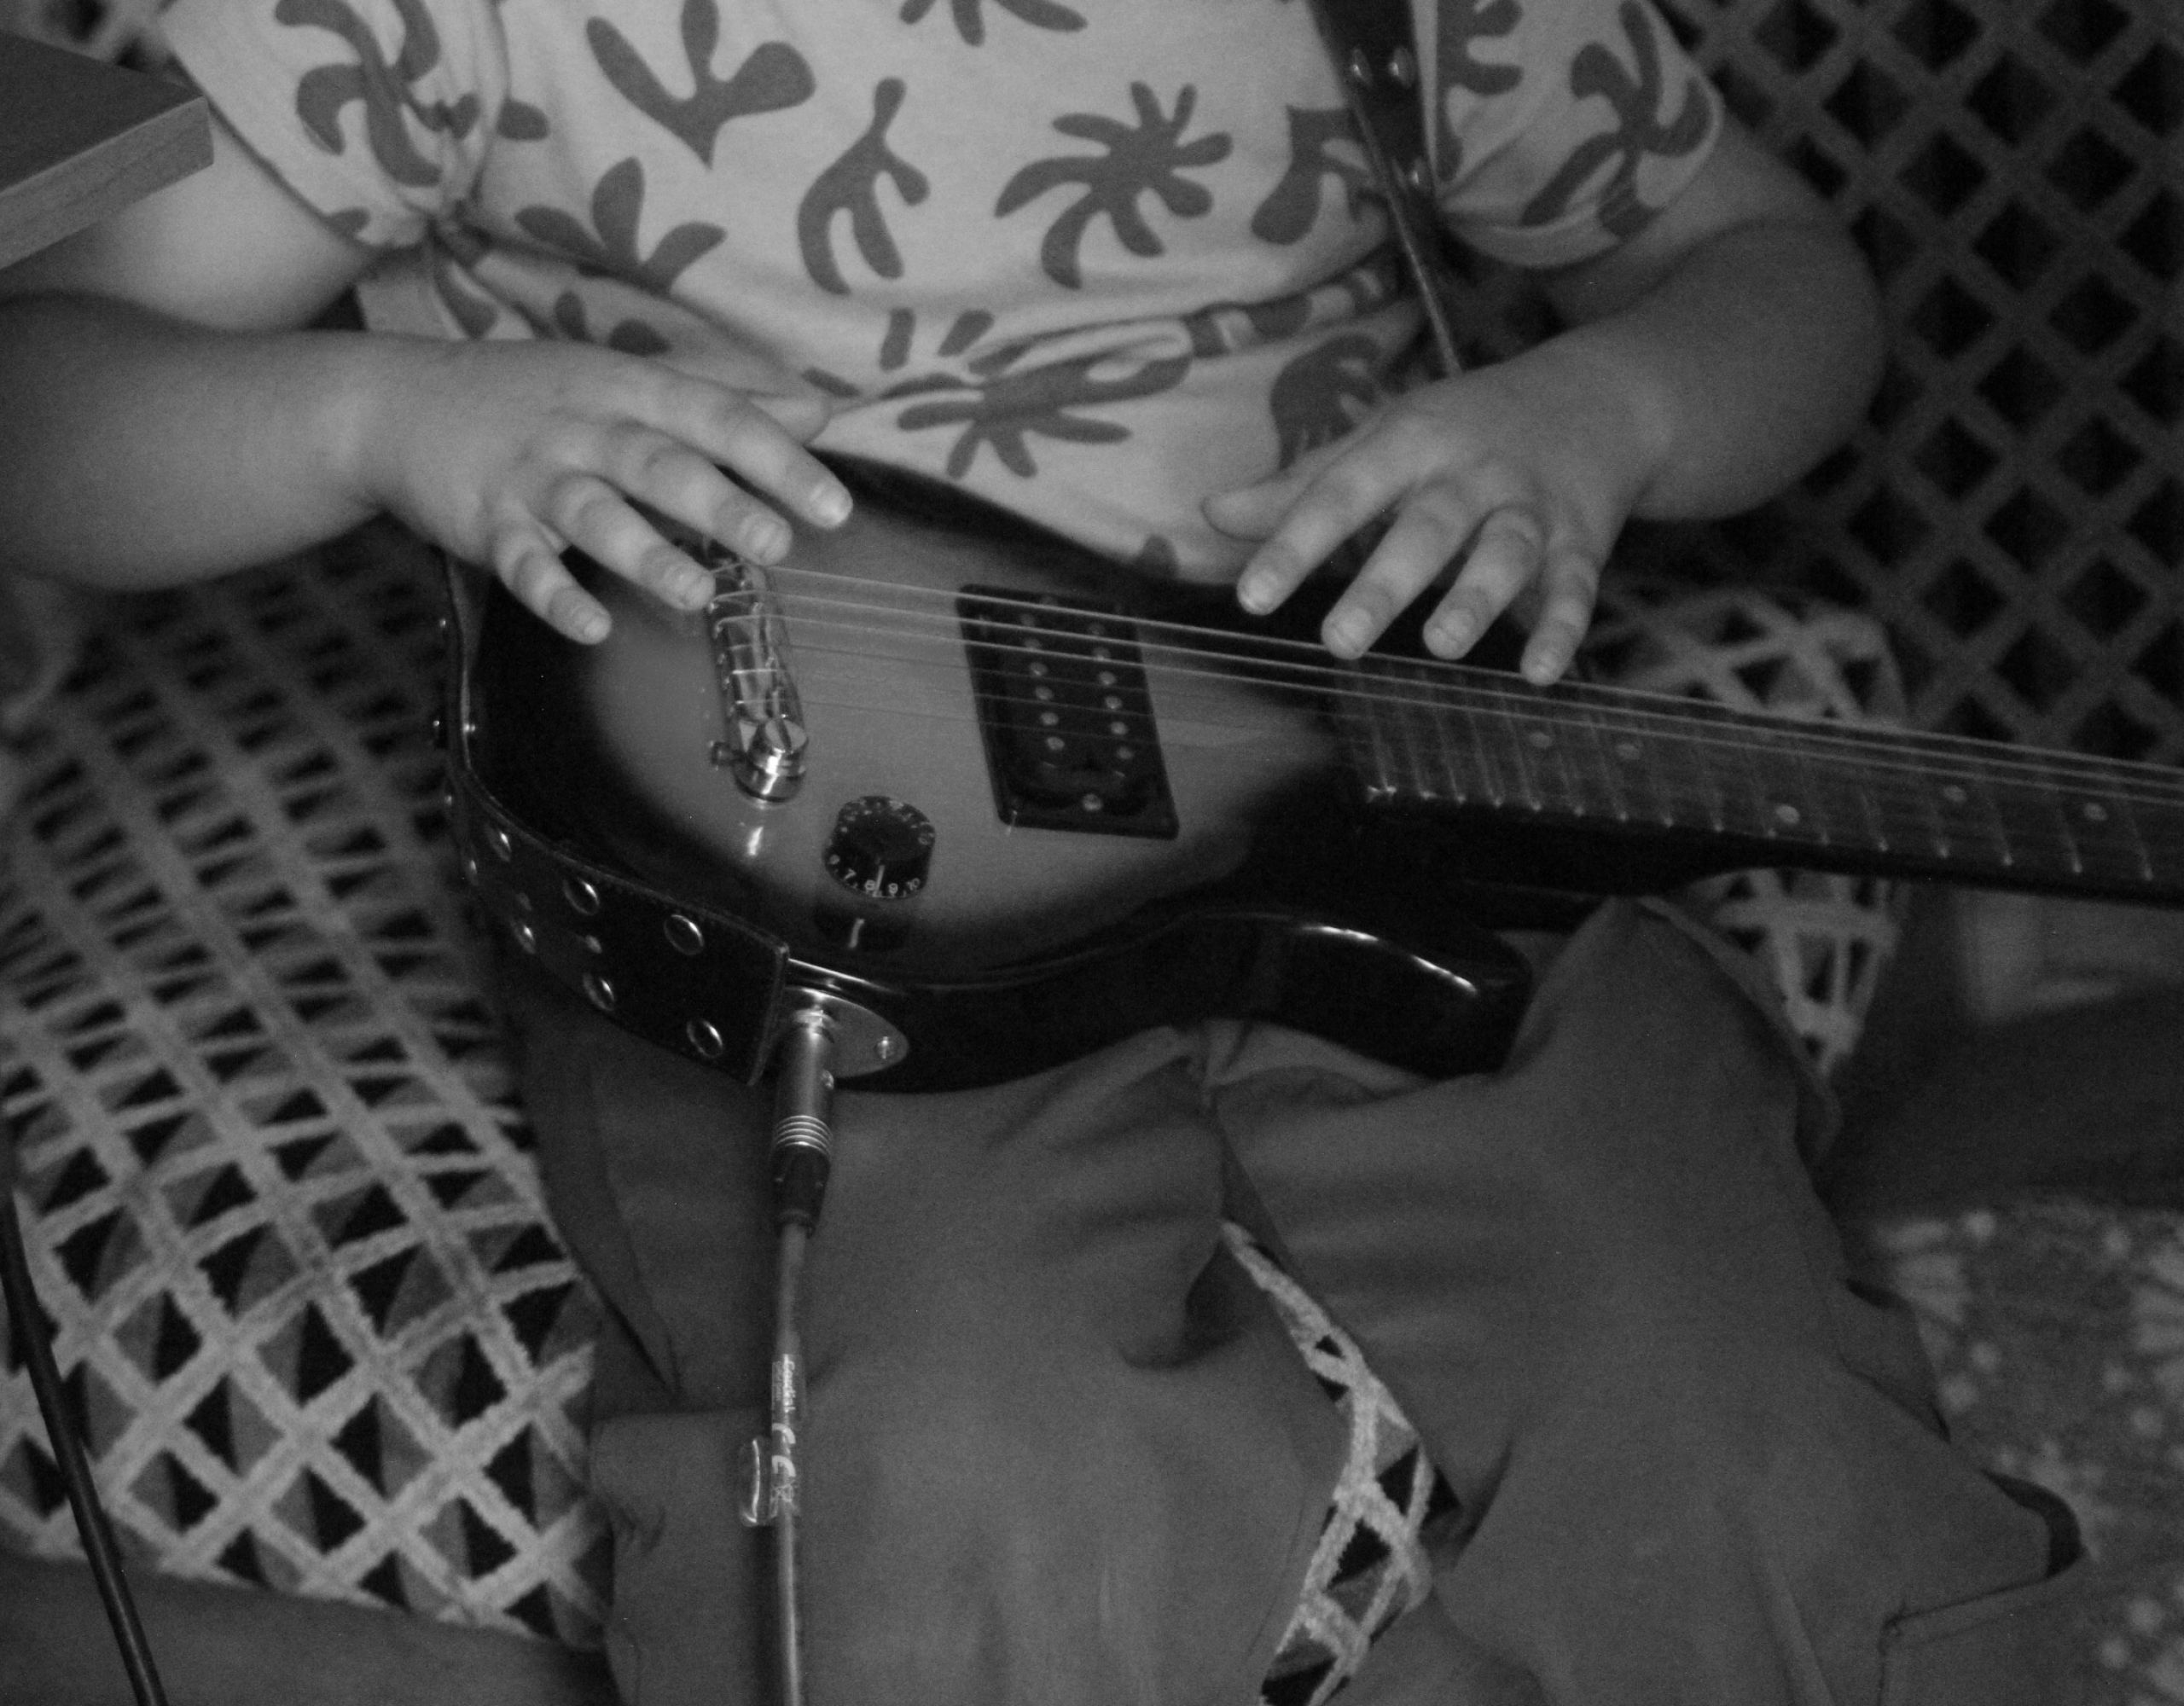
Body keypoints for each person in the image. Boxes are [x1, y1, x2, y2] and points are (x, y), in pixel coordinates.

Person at [0, 2, 2082, 1702]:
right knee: (954, 1484)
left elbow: (1768, 270)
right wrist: (379, 421)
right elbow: (50, 390)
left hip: (1380, 808)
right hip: (795, 885)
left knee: (1743, 1435)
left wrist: (1604, 411)